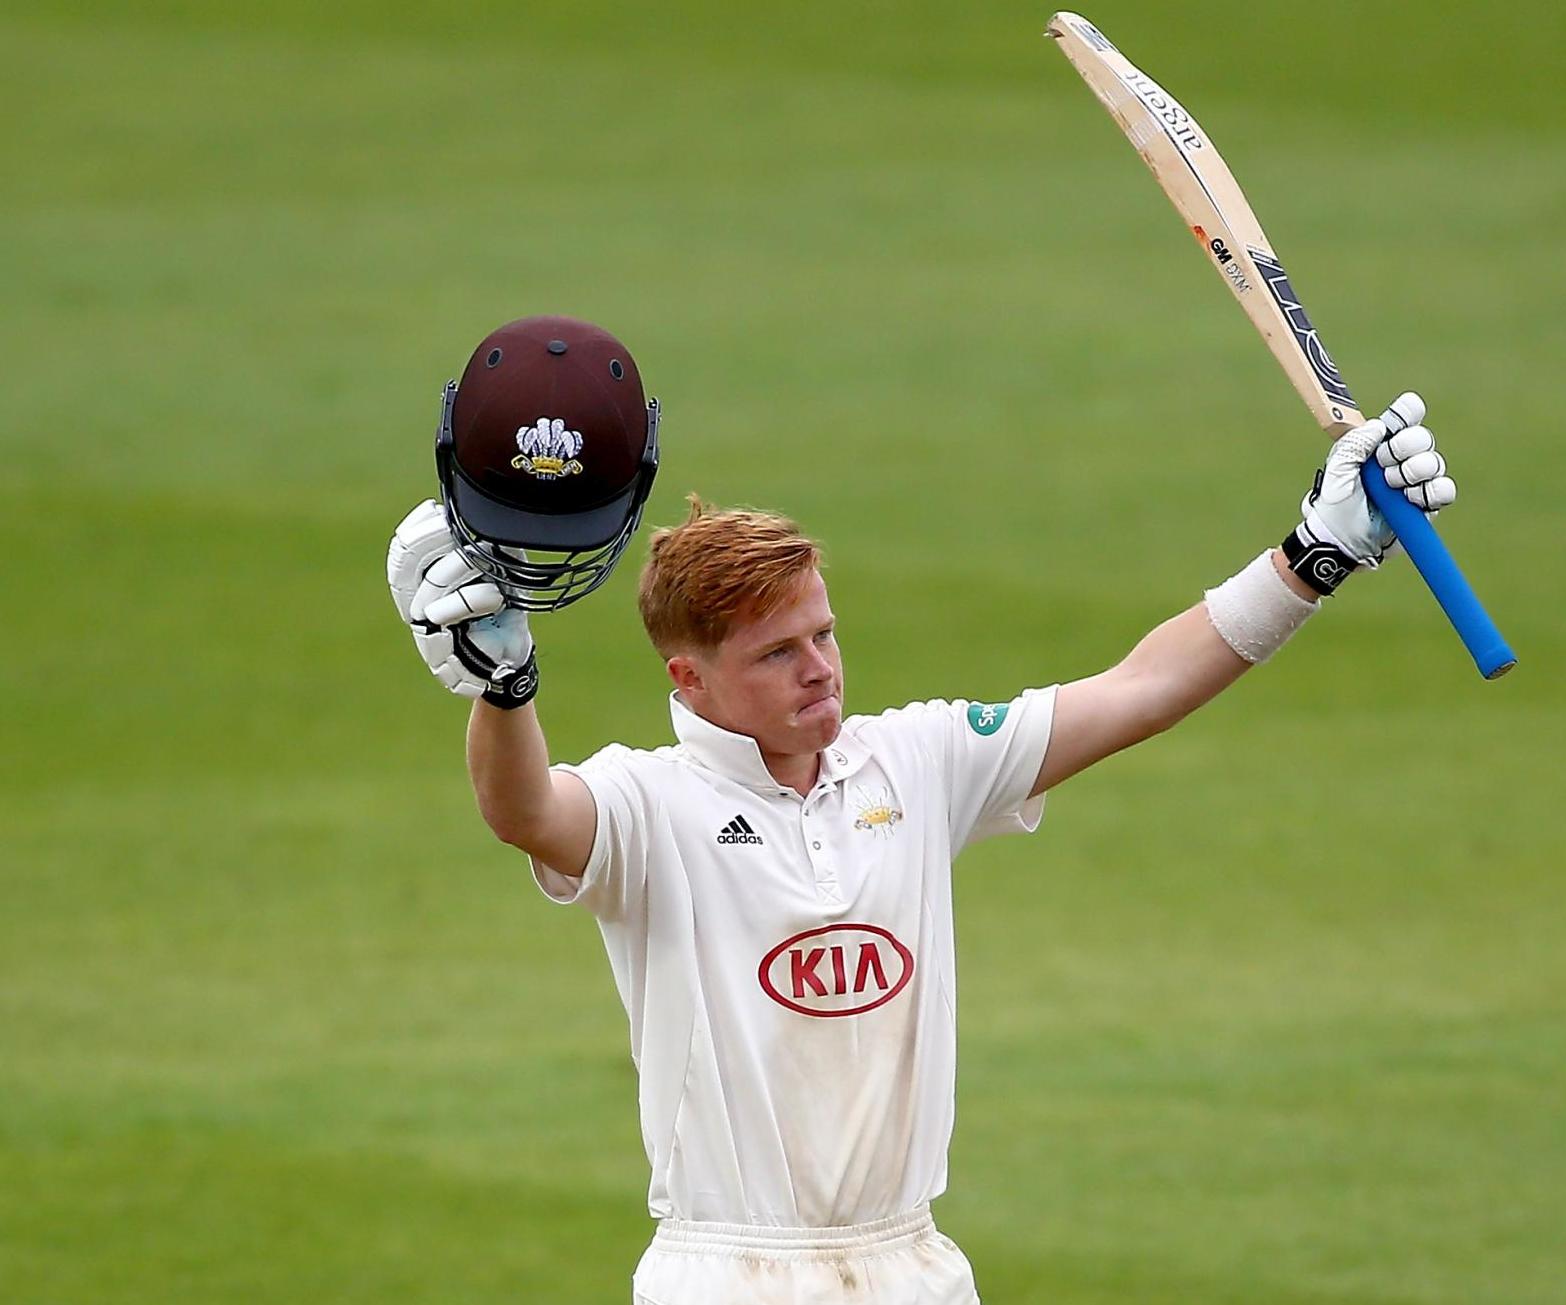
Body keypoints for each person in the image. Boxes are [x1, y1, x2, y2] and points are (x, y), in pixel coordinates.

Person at [387, 315, 1456, 1305]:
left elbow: (1139, 688)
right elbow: (524, 810)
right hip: (728, 1271)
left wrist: (1314, 555)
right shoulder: (646, 805)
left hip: (913, 1267)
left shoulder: (919, 760)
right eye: (777, 653)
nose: (820, 671)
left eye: (823, 634)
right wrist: (507, 690)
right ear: (690, 680)